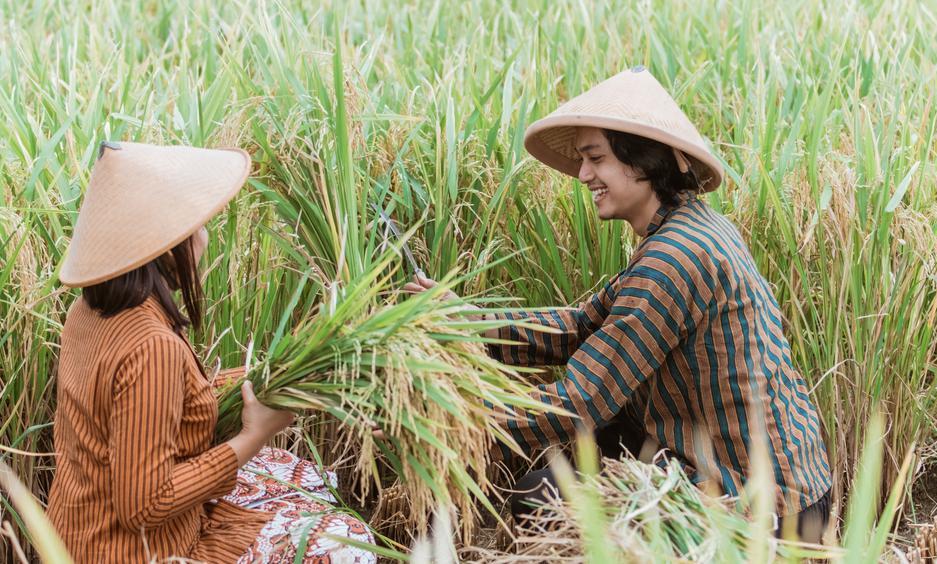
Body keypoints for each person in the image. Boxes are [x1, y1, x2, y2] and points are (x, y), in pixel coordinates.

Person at [404, 67, 833, 543]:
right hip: (776, 482)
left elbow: (581, 401)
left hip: (764, 506)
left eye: (597, 159)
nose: (584, 175)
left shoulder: (675, 258)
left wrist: (458, 419)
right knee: (561, 471)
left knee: (543, 500)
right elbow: (581, 325)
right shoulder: (683, 230)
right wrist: (465, 323)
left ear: (644, 162)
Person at [47, 141, 375, 562]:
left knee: (310, 479)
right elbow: (144, 507)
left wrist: (278, 377)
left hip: (77, 532)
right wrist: (255, 435)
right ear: (167, 247)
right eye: (198, 227)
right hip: (131, 550)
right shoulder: (152, 347)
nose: (206, 237)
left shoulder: (90, 309)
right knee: (350, 542)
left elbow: (152, 407)